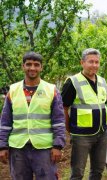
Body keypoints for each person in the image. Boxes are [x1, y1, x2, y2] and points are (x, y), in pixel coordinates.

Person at [0, 51, 66, 180]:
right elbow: (5, 122)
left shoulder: (51, 90)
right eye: (28, 64)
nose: (32, 68)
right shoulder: (13, 90)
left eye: (36, 65)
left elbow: (59, 121)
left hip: (44, 148)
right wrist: (2, 146)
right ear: (23, 66)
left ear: (41, 67)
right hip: (18, 148)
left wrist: (58, 146)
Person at [61, 48, 107, 180]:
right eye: (90, 61)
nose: (94, 65)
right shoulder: (73, 82)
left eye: (97, 62)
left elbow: (103, 104)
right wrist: (69, 130)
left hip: (102, 133)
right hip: (81, 135)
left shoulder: (102, 81)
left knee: (98, 170)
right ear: (82, 63)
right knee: (77, 173)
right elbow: (63, 108)